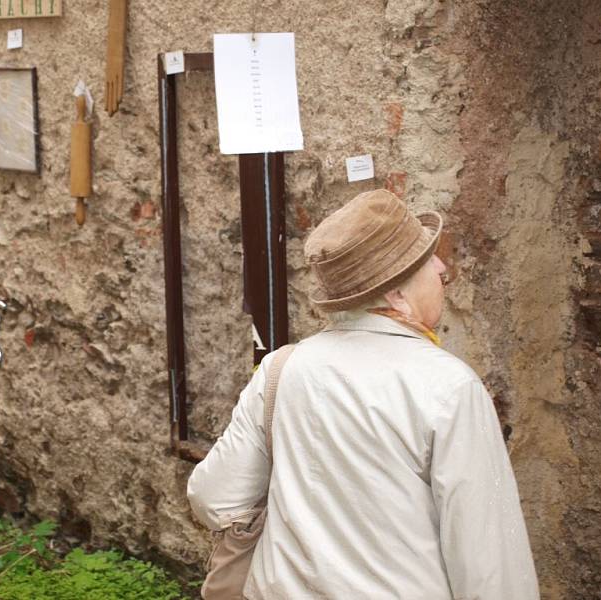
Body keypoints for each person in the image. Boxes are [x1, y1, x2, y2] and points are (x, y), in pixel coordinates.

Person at [187, 189, 539, 599]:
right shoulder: (450, 387)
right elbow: (490, 563)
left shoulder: (281, 370)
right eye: (428, 262)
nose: (443, 268)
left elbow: (213, 497)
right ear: (396, 295)